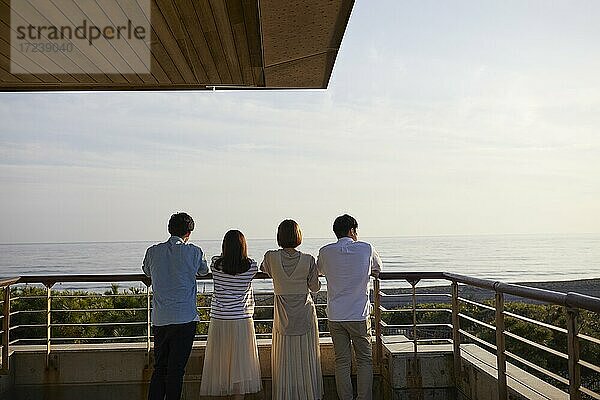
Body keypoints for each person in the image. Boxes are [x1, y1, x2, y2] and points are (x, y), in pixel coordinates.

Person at [142, 212, 209, 400]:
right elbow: (204, 271)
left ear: (169, 229)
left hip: (161, 319)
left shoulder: (153, 251)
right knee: (176, 370)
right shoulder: (194, 251)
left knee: (160, 367)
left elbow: (146, 271)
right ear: (188, 233)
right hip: (185, 319)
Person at [317, 214, 382, 400]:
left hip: (336, 315)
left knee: (342, 361)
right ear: (352, 231)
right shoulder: (366, 248)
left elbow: (319, 270)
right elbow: (378, 268)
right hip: (359, 314)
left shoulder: (325, 251)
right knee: (364, 360)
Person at [260, 219, 323, 400]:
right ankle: (308, 394)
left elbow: (264, 269)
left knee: (284, 360)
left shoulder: (270, 257)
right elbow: (315, 287)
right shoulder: (308, 259)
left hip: (282, 316)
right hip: (304, 314)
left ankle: (286, 394)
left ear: (279, 236)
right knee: (306, 359)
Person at [200, 230, 262, 398]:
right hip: (241, 319)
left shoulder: (215, 264)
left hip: (220, 318)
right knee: (241, 364)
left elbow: (215, 262)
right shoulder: (251, 267)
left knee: (221, 361)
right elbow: (254, 265)